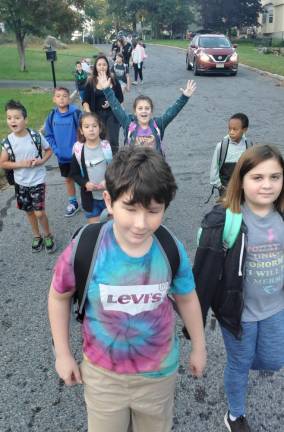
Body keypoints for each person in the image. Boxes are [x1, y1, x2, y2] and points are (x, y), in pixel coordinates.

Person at [48, 146, 207, 432]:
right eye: (130, 209)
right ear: (108, 201)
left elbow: (186, 297)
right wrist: (62, 353)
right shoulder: (85, 248)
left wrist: (199, 346)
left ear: (165, 207)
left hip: (158, 375)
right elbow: (59, 296)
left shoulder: (170, 248)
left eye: (153, 211)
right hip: (102, 375)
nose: (140, 223)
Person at [194, 144, 284, 432]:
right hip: (239, 311)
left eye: (275, 177)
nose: (267, 185)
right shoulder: (227, 220)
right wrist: (197, 315)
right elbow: (205, 271)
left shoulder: (282, 216)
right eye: (257, 177)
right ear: (241, 181)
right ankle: (235, 414)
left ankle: (246, 361)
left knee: (273, 359)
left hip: (275, 307)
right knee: (239, 364)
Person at [0, 100, 56, 253]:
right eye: (9, 117)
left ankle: (48, 234)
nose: (13, 121)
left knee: (39, 212)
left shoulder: (35, 136)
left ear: (25, 120)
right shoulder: (7, 142)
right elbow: (3, 163)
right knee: (29, 212)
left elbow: (49, 150)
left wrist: (42, 161)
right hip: (21, 183)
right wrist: (21, 164)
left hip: (37, 180)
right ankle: (37, 236)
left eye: (17, 117)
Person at [97, 72, 196, 155]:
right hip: (133, 170)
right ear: (135, 112)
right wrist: (107, 90)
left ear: (151, 111)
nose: (144, 111)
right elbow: (116, 107)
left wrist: (184, 97)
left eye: (147, 108)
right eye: (140, 108)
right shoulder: (128, 123)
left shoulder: (158, 124)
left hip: (154, 171)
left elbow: (172, 112)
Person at [44, 87, 81, 217]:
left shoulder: (76, 113)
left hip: (77, 155)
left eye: (65, 96)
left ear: (69, 98)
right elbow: (48, 135)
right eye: (58, 96)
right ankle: (73, 203)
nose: (61, 98)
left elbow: (83, 131)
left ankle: (88, 200)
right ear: (54, 99)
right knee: (68, 179)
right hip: (62, 156)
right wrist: (56, 150)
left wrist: (80, 148)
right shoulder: (52, 115)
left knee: (82, 179)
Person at [70, 113, 112, 224]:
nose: (91, 129)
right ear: (81, 130)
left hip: (109, 196)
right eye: (87, 127)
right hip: (90, 199)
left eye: (94, 126)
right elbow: (74, 174)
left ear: (100, 128)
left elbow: (117, 169)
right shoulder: (78, 150)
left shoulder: (107, 147)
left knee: (111, 227)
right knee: (95, 229)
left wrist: (108, 181)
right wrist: (85, 183)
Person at [82, 54, 124, 155]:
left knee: (113, 141)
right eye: (99, 64)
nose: (102, 67)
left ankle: (114, 164)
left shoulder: (113, 79)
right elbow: (85, 101)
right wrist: (89, 114)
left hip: (112, 114)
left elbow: (121, 98)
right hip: (97, 115)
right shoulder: (90, 81)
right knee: (99, 140)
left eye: (104, 64)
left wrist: (111, 101)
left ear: (108, 66)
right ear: (95, 67)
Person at [210, 113, 253, 196]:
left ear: (244, 130)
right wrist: (219, 186)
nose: (231, 132)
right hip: (225, 189)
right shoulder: (222, 146)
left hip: (244, 190)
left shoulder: (249, 145)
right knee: (226, 209)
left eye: (235, 129)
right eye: (229, 129)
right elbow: (214, 168)